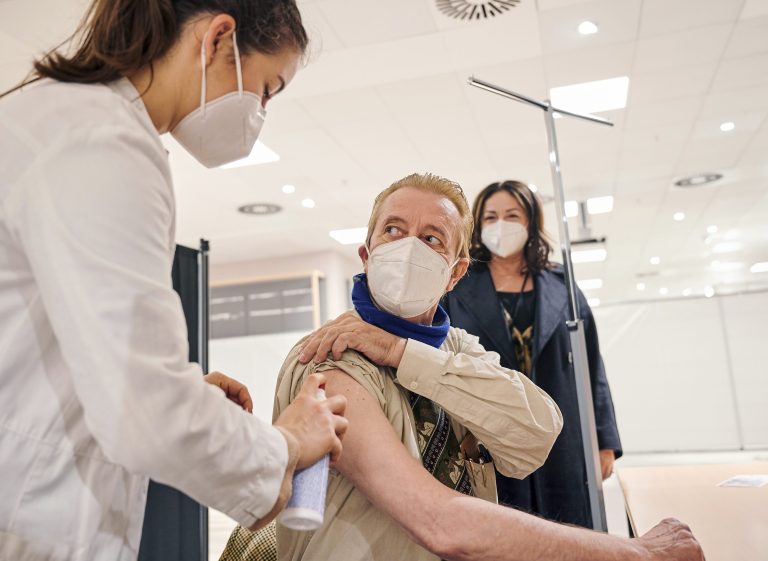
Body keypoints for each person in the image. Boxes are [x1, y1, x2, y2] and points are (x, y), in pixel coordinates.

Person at [0, 1, 347, 560]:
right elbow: (143, 409)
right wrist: (285, 444)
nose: (259, 111)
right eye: (265, 89)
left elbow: (59, 353)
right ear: (217, 40)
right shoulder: (102, 141)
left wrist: (187, 398)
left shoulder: (59, 121)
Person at [228, 173, 703, 561]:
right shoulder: (333, 356)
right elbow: (440, 522)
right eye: (393, 230)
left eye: (431, 238)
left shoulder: (456, 345)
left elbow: (537, 433)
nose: (409, 247)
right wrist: (638, 554)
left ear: (455, 272)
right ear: (368, 255)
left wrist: (401, 352)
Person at [442, 180, 622, 528]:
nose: (500, 224)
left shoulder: (561, 282)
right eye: (490, 217)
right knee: (506, 531)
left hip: (563, 432)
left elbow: (592, 365)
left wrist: (605, 441)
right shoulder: (459, 285)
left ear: (530, 222)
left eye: (512, 215)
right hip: (490, 430)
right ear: (477, 225)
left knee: (569, 532)